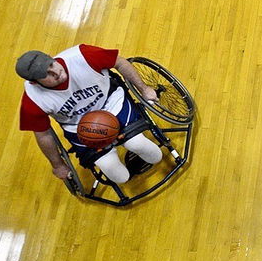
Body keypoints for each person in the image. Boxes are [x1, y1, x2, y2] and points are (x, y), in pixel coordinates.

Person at [16, 45, 163, 184]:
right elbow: (43, 135)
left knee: (143, 147)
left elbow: (119, 62)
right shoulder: (32, 100)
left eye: (51, 65)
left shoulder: (82, 56)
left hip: (111, 104)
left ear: (50, 57)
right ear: (34, 83)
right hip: (79, 126)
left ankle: (139, 148)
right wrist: (57, 165)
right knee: (118, 175)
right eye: (46, 75)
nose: (55, 72)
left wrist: (144, 89)